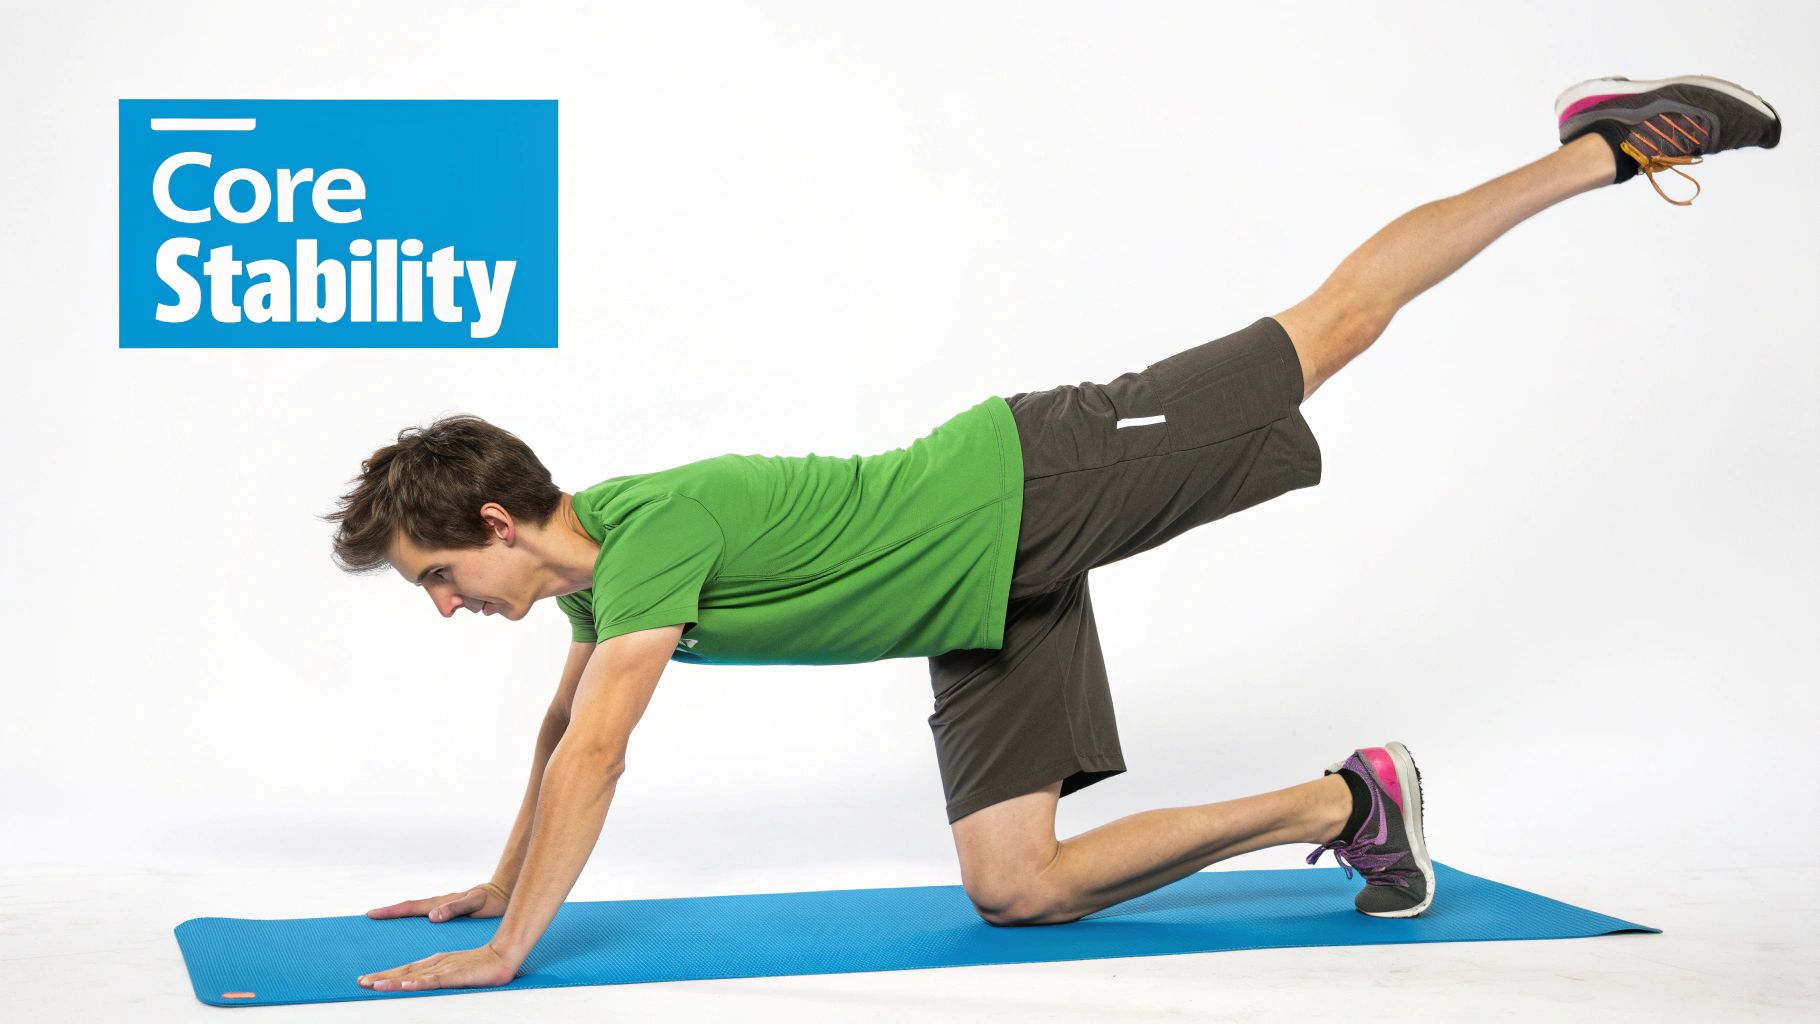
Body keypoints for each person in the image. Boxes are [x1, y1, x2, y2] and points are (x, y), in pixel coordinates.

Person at [323, 74, 1781, 993]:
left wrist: (511, 951)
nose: (447, 604)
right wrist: (498, 879)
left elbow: (596, 753)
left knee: (1335, 325)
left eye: (441, 576)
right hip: (979, 603)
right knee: (1020, 890)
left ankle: (1600, 150)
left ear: (499, 521)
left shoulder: (649, 540)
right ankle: (1351, 807)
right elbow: (558, 737)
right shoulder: (600, 586)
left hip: (1030, 480)